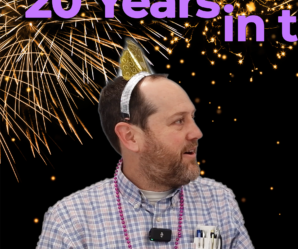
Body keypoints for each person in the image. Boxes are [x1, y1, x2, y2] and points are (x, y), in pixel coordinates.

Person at [37, 42, 254, 249]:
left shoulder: (219, 200)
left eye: (192, 117)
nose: (197, 132)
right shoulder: (70, 221)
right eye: (179, 121)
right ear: (130, 137)